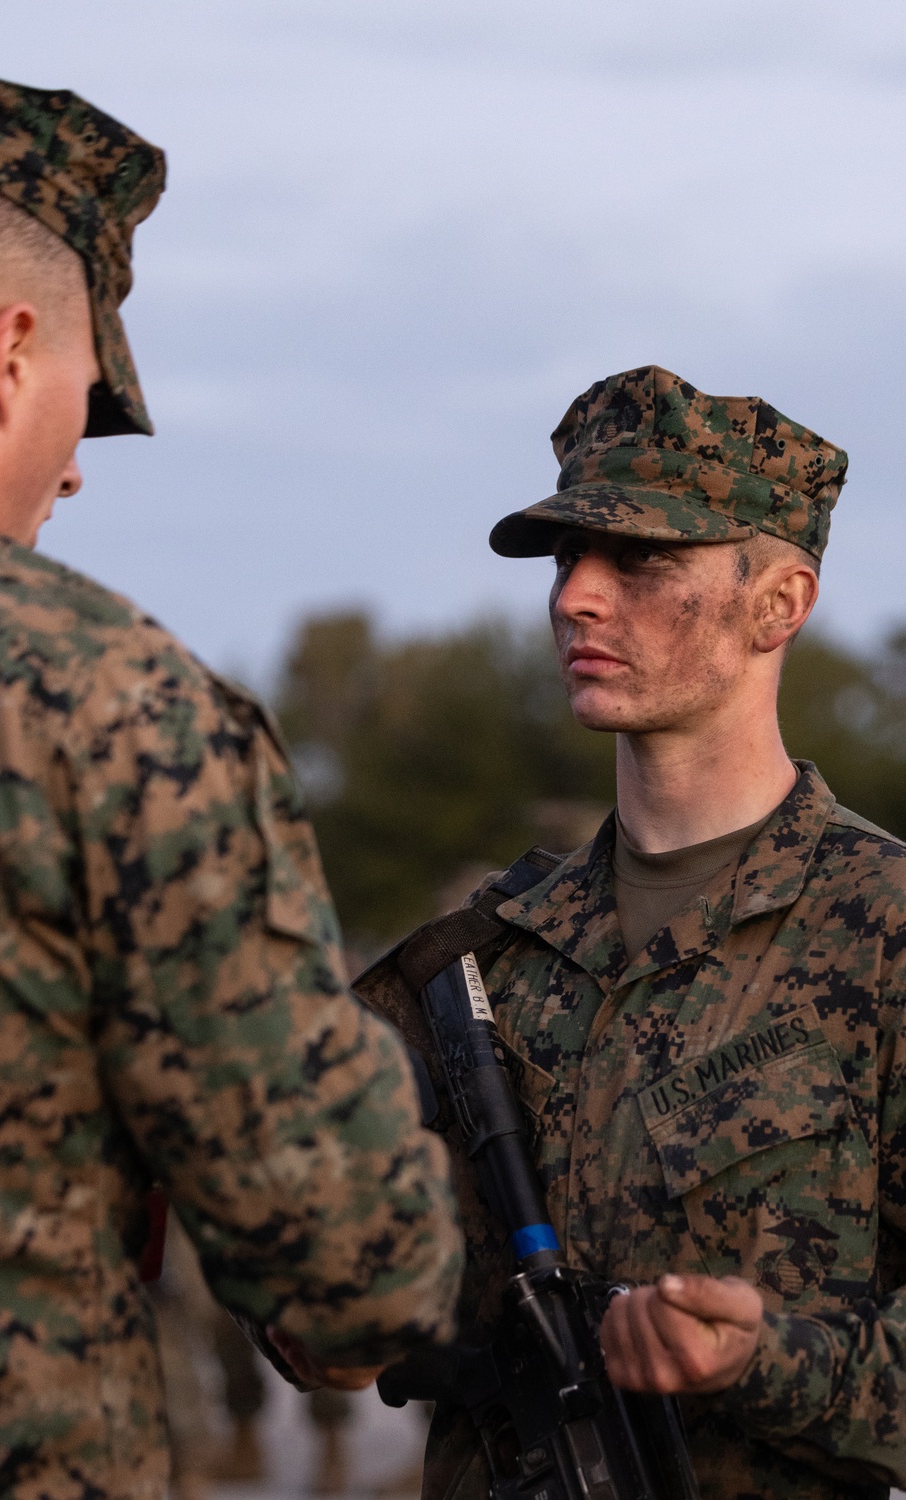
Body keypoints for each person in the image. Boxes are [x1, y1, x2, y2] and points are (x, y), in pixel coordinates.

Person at [0, 55, 462, 1500]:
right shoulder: (105, 700)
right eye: (86, 404)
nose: (75, 475)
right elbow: (358, 1275)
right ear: (11, 352)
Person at [359, 364, 906, 1500]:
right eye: (567, 559)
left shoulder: (883, 934)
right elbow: (357, 1290)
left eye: (642, 560)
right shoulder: (477, 961)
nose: (575, 598)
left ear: (779, 603)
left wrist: (762, 1358)